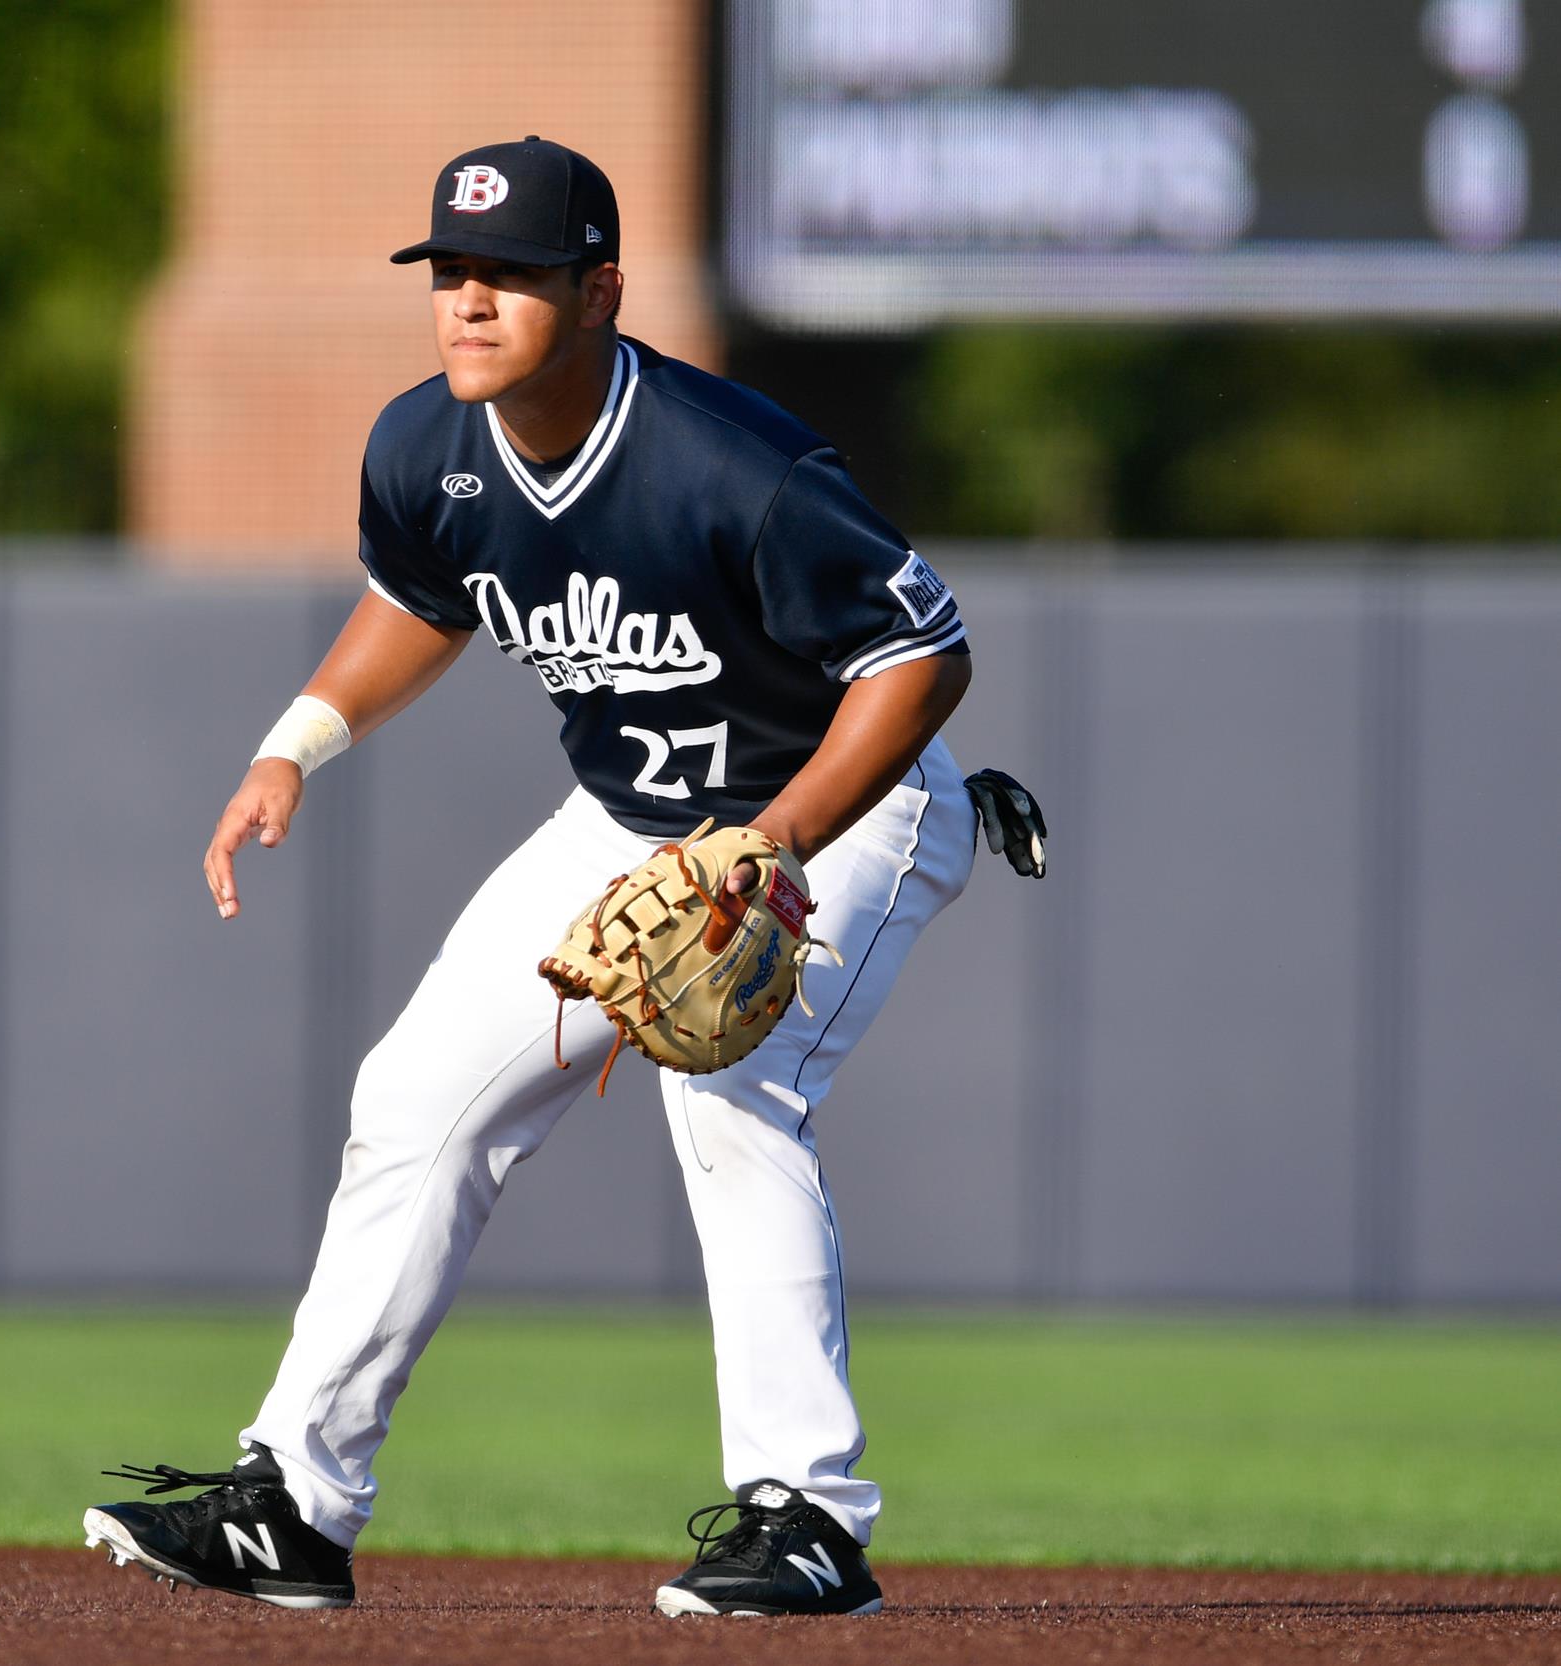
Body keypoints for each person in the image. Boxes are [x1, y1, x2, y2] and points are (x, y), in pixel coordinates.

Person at [83, 136, 1038, 1618]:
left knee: (728, 1087)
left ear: (598, 292)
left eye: (510, 277)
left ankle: (808, 1518)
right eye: (450, 274)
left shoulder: (738, 465)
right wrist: (295, 742)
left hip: (836, 811)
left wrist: (770, 847)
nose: (468, 302)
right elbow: (419, 603)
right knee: (412, 1098)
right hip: (626, 821)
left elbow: (922, 658)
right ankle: (295, 1505)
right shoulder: (426, 448)